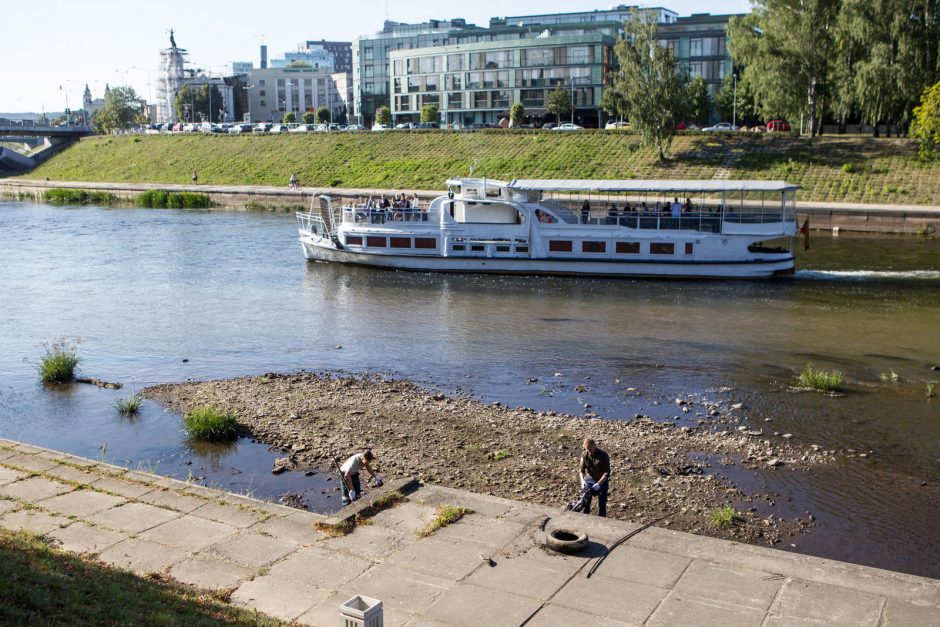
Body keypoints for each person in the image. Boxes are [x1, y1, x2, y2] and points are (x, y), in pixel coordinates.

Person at [579, 438, 611, 517]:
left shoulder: (603, 455)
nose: (588, 451)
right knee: (585, 501)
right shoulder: (584, 455)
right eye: (586, 449)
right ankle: (585, 517)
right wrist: (582, 481)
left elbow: (606, 473)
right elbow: (581, 471)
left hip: (602, 480)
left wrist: (599, 484)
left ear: (594, 446)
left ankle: (602, 520)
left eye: (590, 449)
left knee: (602, 504)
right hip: (590, 479)